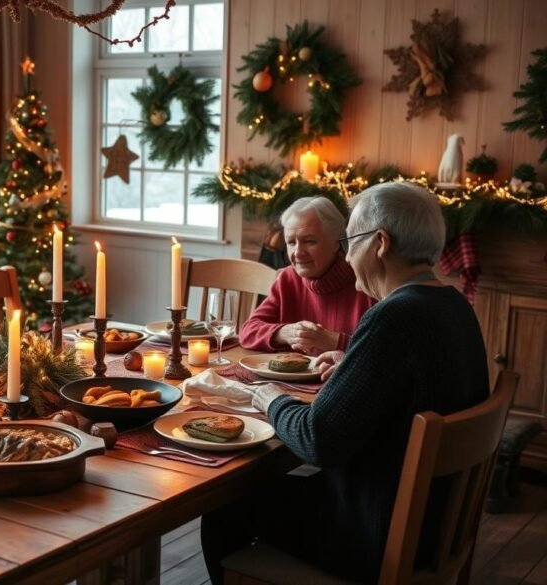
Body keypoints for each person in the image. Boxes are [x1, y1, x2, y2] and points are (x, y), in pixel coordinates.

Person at [200, 183, 490, 583]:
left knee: (223, 506)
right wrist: (352, 363)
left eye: (352, 241)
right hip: (436, 521)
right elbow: (409, 386)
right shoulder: (453, 304)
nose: (348, 256)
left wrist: (268, 396)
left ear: (381, 243)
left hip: (377, 530)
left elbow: (317, 441)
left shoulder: (392, 317)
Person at [239, 196, 375, 355]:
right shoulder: (288, 278)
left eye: (309, 241)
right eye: (291, 242)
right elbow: (247, 331)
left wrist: (336, 342)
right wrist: (285, 333)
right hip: (287, 379)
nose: (298, 253)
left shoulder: (366, 282)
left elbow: (385, 354)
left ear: (337, 243)